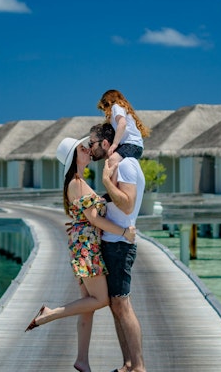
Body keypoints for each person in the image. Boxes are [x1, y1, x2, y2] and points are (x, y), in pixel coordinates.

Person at [25, 136, 136, 372]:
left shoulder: (79, 182)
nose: (88, 150)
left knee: (88, 306)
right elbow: (94, 218)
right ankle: (49, 314)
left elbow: (89, 214)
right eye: (82, 148)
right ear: (74, 157)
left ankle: (82, 361)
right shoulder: (76, 183)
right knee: (101, 300)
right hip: (87, 246)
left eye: (86, 147)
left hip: (83, 242)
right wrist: (124, 231)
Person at [88, 122, 146, 372]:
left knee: (122, 304)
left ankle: (139, 367)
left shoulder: (126, 165)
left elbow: (128, 204)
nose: (89, 149)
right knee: (116, 305)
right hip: (112, 242)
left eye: (91, 144)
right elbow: (116, 201)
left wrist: (104, 181)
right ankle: (128, 364)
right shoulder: (117, 165)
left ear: (104, 143)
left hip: (121, 245)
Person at [96, 89, 150, 184]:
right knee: (114, 162)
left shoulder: (116, 107)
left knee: (112, 160)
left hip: (131, 145)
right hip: (135, 146)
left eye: (104, 108)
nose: (105, 112)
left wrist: (115, 144)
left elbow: (122, 123)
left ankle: (113, 189)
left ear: (108, 102)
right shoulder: (123, 109)